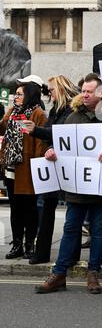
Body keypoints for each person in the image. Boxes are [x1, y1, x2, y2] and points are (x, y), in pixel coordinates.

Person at [35, 73, 102, 294]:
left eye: (89, 91)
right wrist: (51, 152)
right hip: (77, 186)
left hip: (101, 186)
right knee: (70, 229)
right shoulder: (72, 117)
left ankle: (93, 274)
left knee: (98, 231)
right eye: (83, 91)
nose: (85, 95)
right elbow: (60, 147)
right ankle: (59, 274)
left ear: (100, 93)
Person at [23, 75, 79, 264]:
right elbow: (49, 137)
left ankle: (71, 254)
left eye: (51, 89)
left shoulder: (72, 110)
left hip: (68, 165)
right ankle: (42, 252)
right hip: (53, 163)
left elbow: (61, 134)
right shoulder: (56, 109)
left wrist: (36, 130)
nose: (49, 93)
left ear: (61, 89)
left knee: (73, 209)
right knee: (47, 206)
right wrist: (48, 149)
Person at [0, 82, 47, 259]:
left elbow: (40, 144)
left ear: (29, 95)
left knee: (29, 210)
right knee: (15, 209)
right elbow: (2, 127)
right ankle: (17, 245)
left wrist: (35, 168)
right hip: (11, 168)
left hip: (27, 169)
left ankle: (29, 245)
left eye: (19, 94)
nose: (16, 97)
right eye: (15, 94)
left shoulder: (38, 113)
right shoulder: (12, 112)